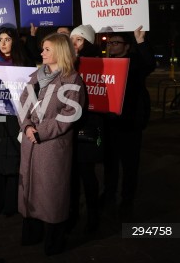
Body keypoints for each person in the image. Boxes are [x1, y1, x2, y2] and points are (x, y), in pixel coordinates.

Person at [18, 32, 85, 256]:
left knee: (51, 194)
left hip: (51, 148)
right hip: (30, 144)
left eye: (47, 49)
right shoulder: (36, 76)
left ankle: (54, 241)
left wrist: (40, 132)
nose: (42, 52)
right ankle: (32, 233)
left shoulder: (72, 79)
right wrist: (27, 126)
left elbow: (69, 115)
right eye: (42, 49)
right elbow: (23, 103)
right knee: (30, 189)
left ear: (60, 52)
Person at [100, 25, 155, 216]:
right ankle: (108, 197)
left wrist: (141, 40)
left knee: (130, 166)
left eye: (117, 43)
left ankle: (127, 201)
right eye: (110, 42)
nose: (112, 46)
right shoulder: (104, 63)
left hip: (130, 124)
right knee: (110, 165)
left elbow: (149, 64)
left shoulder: (135, 63)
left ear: (126, 46)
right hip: (109, 123)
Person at [0, 27, 34, 216]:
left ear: (15, 42)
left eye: (8, 39)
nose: (3, 43)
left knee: (13, 162)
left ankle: (11, 204)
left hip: (16, 119)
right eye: (1, 39)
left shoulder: (25, 65)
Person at [68, 24, 104, 234]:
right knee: (71, 176)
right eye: (72, 39)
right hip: (69, 126)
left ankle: (93, 216)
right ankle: (73, 214)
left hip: (89, 126)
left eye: (79, 40)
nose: (74, 43)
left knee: (87, 174)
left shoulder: (98, 64)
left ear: (88, 43)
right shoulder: (67, 63)